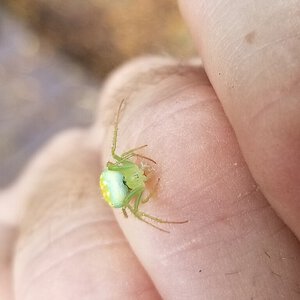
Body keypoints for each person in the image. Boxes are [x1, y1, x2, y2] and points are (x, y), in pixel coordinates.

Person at [1, 0, 299, 299]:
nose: (143, 169)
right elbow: (134, 207)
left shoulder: (124, 164)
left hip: (112, 181)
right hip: (112, 187)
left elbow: (120, 157)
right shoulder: (130, 184)